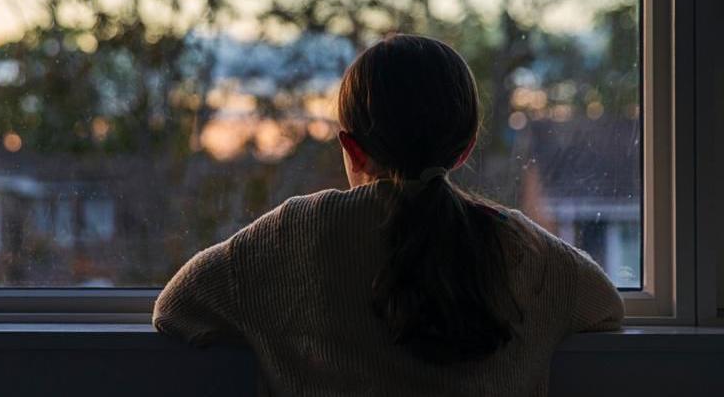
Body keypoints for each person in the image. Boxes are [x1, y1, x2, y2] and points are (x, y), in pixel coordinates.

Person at [153, 34, 624, 396]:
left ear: (351, 148)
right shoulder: (520, 246)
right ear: (464, 150)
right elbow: (605, 307)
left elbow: (175, 308)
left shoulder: (297, 234)